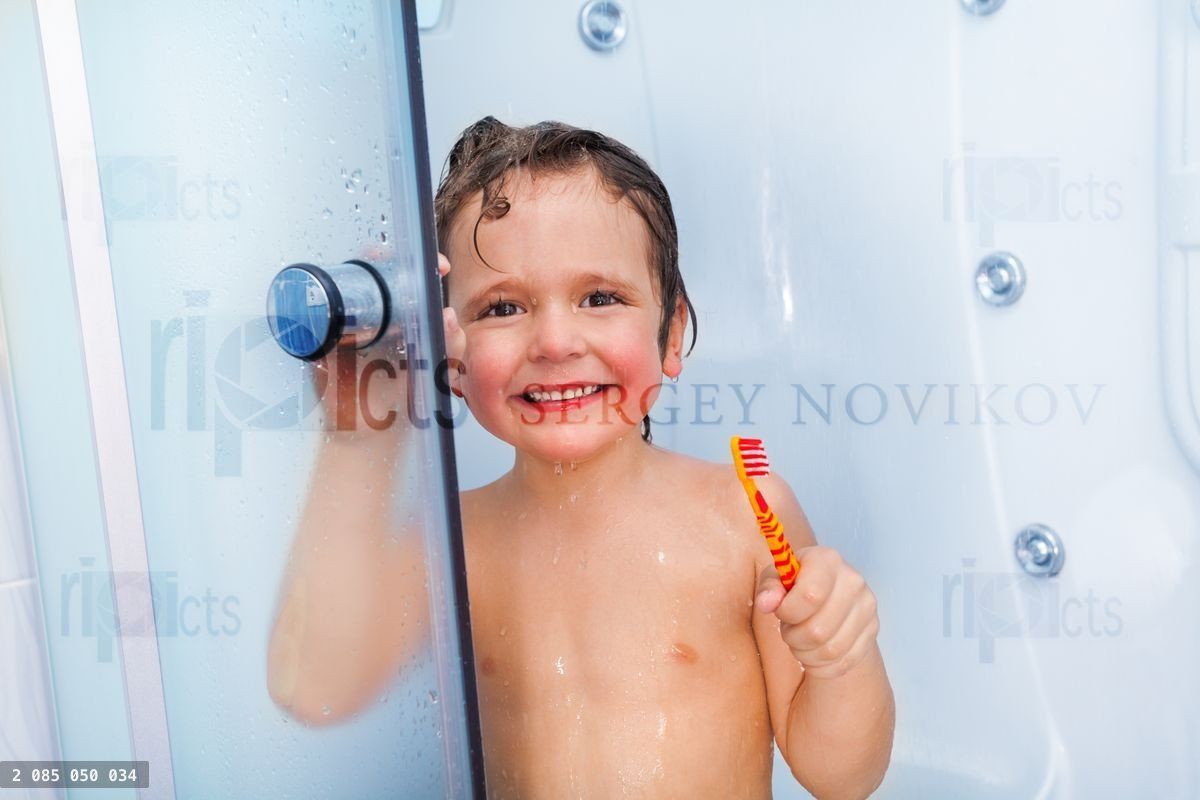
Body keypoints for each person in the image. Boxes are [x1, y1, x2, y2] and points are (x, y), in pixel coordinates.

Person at [269, 116, 895, 799]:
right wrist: (360, 441)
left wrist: (842, 660)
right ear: (451, 355)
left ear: (672, 334)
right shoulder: (457, 543)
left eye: (601, 297)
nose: (556, 340)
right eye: (503, 307)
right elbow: (315, 688)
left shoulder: (743, 514)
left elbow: (840, 777)